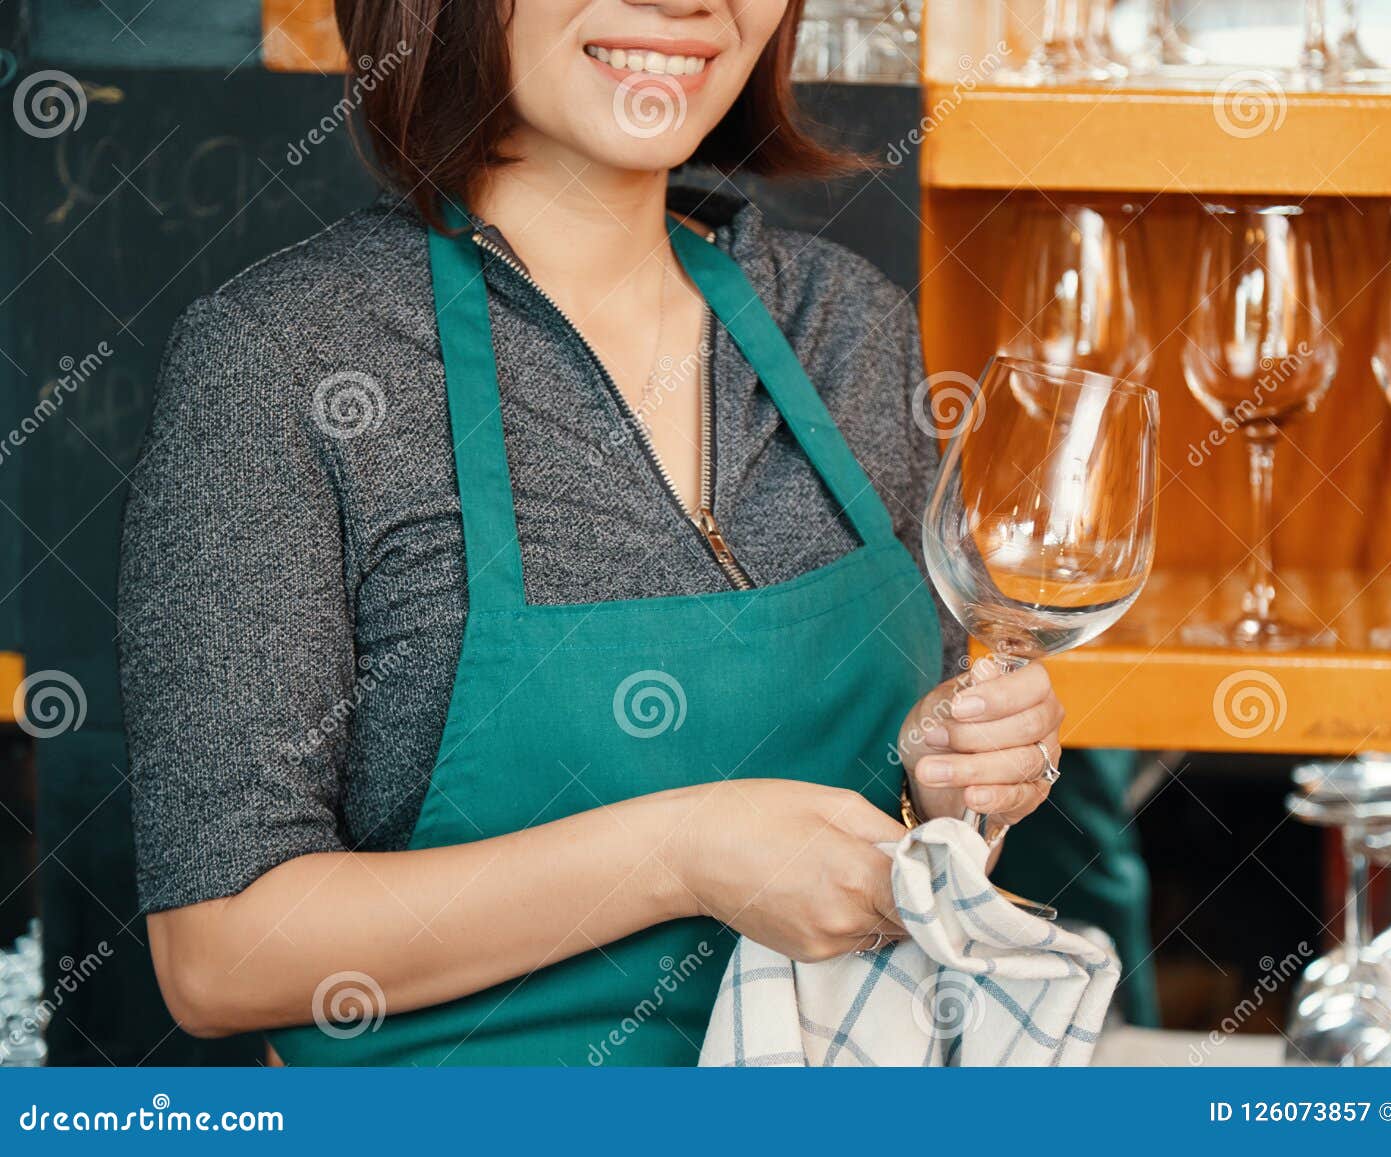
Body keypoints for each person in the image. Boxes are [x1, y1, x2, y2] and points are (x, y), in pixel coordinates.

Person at [118, 0, 1072, 1066]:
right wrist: (681, 854)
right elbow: (216, 953)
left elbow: (917, 766)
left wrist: (952, 773)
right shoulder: (290, 360)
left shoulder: (847, 322)